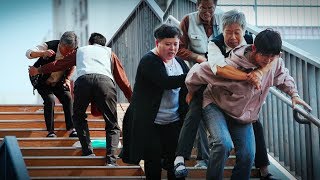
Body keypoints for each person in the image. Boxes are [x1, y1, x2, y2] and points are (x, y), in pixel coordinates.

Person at [185, 29, 311, 180]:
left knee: (247, 155)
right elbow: (196, 72)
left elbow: (283, 77)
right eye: (265, 55)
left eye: (273, 56)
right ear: (254, 49)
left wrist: (294, 94)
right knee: (223, 144)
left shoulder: (274, 63)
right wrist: (191, 92)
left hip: (242, 114)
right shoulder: (231, 64)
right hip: (215, 105)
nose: (268, 60)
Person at [29, 32, 132, 166]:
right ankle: (111, 160)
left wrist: (39, 70)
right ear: (103, 44)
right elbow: (122, 78)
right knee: (112, 123)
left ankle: (88, 152)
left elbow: (60, 64)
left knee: (78, 117)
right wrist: (132, 99)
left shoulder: (82, 50)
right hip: (105, 83)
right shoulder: (109, 52)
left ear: (90, 42)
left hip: (83, 82)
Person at [208, 9, 277, 179]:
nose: (232, 37)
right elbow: (220, 69)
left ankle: (263, 168)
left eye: (237, 32)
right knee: (223, 143)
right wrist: (249, 76)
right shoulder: (214, 44)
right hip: (216, 98)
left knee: (248, 151)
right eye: (228, 32)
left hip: (243, 101)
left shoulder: (252, 42)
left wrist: (260, 73)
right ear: (221, 31)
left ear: (244, 31)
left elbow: (272, 58)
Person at [120, 24, 189, 180]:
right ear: (157, 43)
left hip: (173, 121)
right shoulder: (149, 60)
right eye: (167, 44)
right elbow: (165, 82)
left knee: (175, 163)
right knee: (153, 162)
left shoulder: (179, 62)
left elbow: (186, 88)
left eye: (175, 44)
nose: (172, 48)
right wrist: (194, 75)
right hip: (151, 123)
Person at [176, 0, 222, 168]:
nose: (207, 12)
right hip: (199, 76)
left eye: (211, 8)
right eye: (203, 7)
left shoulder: (223, 20)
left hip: (221, 77)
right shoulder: (188, 20)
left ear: (215, 7)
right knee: (198, 114)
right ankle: (202, 158)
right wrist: (198, 57)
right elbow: (179, 49)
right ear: (197, 6)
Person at [26, 31, 78, 138]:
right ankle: (50, 131)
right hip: (42, 80)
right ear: (61, 44)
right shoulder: (50, 45)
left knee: (68, 98)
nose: (68, 53)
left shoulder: (74, 51)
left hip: (59, 80)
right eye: (67, 50)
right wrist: (42, 53)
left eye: (71, 51)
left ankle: (72, 129)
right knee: (50, 100)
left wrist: (68, 79)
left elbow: (73, 64)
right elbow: (28, 53)